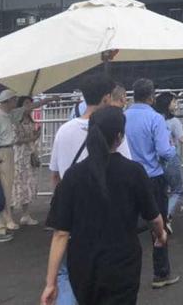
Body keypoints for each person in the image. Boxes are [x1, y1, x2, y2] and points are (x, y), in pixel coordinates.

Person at [41, 107, 166, 305]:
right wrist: (160, 235)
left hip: (83, 263)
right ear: (119, 137)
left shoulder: (73, 176)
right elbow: (153, 218)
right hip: (122, 261)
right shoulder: (134, 172)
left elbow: (60, 233)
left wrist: (50, 282)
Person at [48, 74, 131, 305]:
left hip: (72, 210)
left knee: (66, 271)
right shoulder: (114, 130)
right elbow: (126, 169)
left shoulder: (64, 130)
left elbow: (55, 174)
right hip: (105, 214)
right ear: (106, 98)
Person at [123, 78, 179, 290]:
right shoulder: (155, 118)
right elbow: (164, 150)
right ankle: (161, 273)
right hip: (152, 175)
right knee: (158, 225)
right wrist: (172, 150)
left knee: (128, 224)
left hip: (128, 175)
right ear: (151, 97)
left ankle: (127, 273)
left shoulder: (123, 116)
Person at [0, 88, 51, 242]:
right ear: (7, 101)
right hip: (3, 153)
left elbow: (28, 108)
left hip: (8, 151)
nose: (16, 102)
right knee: (1, 190)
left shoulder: (9, 114)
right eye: (14, 99)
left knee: (7, 190)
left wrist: (47, 100)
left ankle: (2, 225)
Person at [153, 92, 183, 220]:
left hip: (156, 159)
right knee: (177, 190)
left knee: (162, 191)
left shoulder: (155, 119)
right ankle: (166, 215)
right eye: (173, 101)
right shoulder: (174, 121)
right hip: (171, 158)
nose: (176, 104)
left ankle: (159, 216)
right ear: (167, 104)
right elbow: (182, 138)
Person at [13, 95, 45, 226]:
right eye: (26, 103)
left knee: (28, 183)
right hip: (20, 156)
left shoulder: (29, 119)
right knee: (19, 183)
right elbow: (16, 139)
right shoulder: (16, 120)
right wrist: (32, 138)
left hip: (30, 154)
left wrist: (36, 136)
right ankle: (16, 214)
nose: (29, 106)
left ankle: (26, 213)